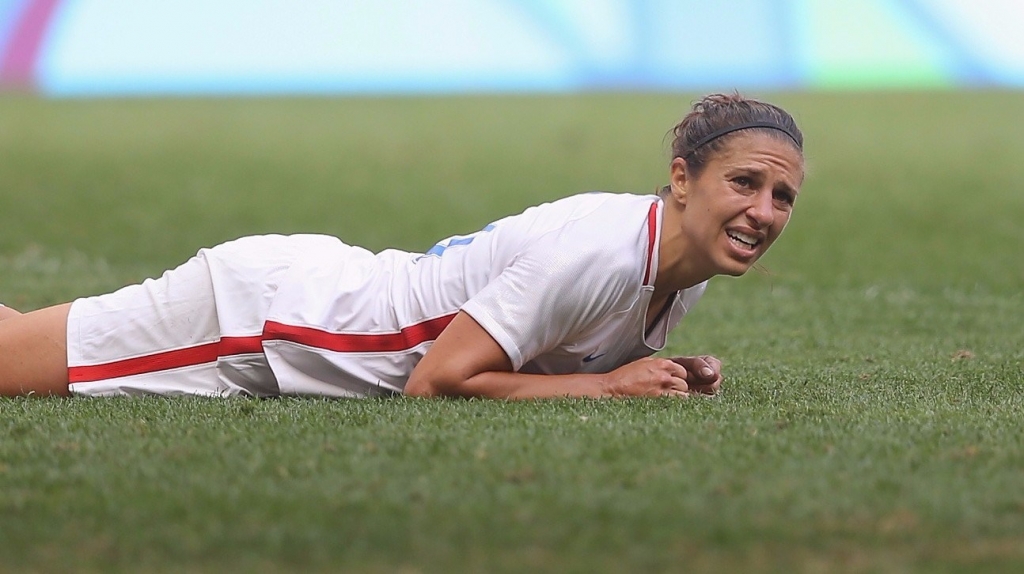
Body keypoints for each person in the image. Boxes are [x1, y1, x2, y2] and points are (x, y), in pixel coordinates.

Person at [0, 93, 804, 399]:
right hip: (263, 321)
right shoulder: (598, 250)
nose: (762, 211)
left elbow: (553, 347)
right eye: (744, 184)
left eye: (782, 196)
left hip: (305, 291)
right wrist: (609, 389)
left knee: (16, 342)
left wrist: (657, 371)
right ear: (682, 179)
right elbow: (438, 381)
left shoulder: (681, 266)